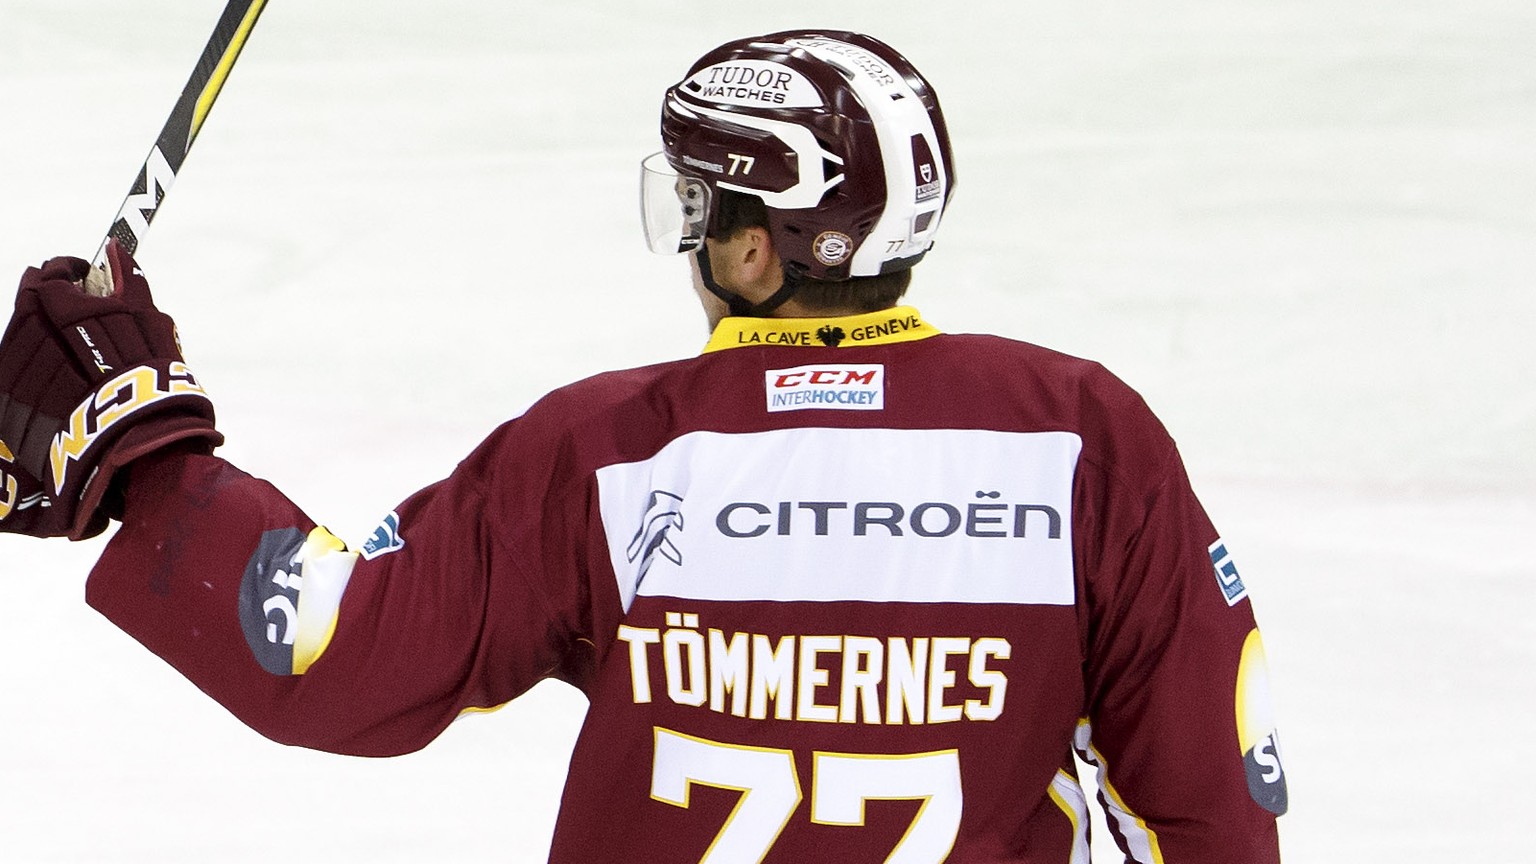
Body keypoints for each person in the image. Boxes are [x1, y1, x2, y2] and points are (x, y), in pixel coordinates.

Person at [0, 30, 1286, 862]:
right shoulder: (1081, 440)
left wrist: (143, 452)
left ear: (749, 248)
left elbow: (338, 655)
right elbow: (1210, 818)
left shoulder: (611, 455)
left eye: (697, 206)